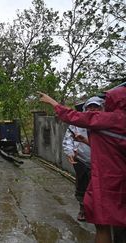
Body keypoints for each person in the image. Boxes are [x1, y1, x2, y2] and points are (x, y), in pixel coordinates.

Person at [39, 87, 126, 243]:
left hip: (106, 178)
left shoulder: (109, 118)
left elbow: (72, 116)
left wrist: (52, 102)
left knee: (103, 223)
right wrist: (84, 142)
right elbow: (110, 145)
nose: (93, 110)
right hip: (116, 174)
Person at [62, 96, 104, 221]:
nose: (92, 110)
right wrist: (70, 152)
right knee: (82, 185)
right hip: (81, 160)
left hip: (101, 161)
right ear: (85, 109)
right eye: (90, 107)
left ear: (102, 108)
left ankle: (99, 210)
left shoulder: (106, 123)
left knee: (99, 187)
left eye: (95, 107)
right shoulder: (77, 124)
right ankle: (83, 209)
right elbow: (68, 139)